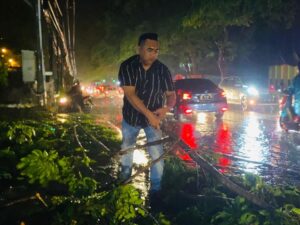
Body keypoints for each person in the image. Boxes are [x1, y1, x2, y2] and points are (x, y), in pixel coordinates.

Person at [118, 32, 176, 193]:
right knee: (127, 150)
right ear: (139, 48)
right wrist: (149, 115)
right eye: (149, 49)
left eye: (156, 50)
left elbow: (171, 96)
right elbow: (130, 94)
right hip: (131, 118)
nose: (153, 53)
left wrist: (166, 108)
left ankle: (156, 190)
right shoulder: (127, 66)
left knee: (157, 154)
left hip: (154, 121)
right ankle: (124, 184)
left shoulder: (163, 70)